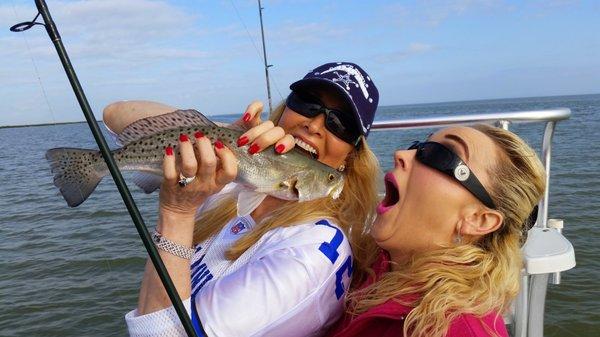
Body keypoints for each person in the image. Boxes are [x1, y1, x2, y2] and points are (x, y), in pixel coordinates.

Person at [104, 62, 382, 336]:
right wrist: (223, 136)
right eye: (307, 103)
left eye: (339, 123)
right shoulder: (234, 179)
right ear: (285, 109)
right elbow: (114, 114)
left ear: (352, 153)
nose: (314, 125)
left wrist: (177, 213)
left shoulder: (309, 255)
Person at [323, 124, 546, 337]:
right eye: (416, 147)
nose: (401, 153)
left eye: (440, 155)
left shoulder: (454, 329)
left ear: (479, 219)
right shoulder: (383, 262)